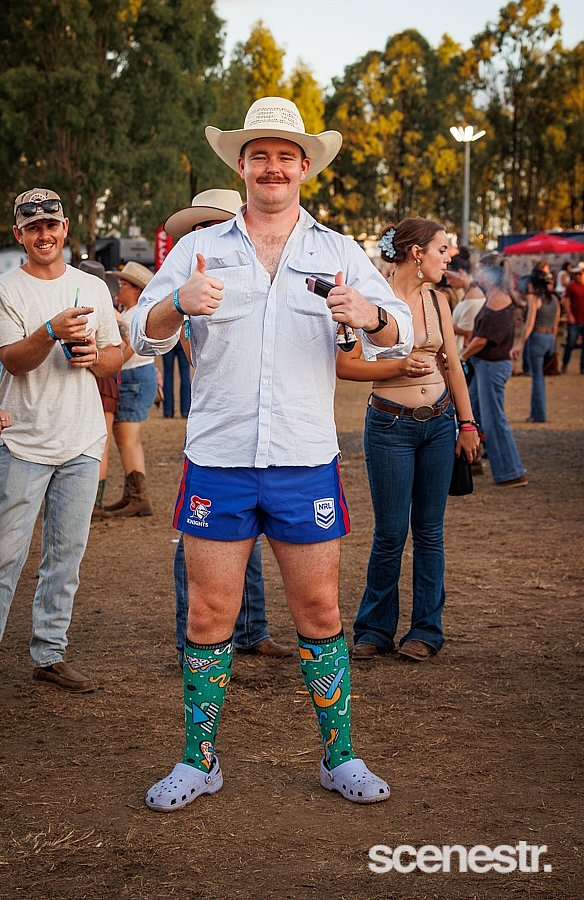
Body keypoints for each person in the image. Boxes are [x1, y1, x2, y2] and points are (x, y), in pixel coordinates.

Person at [131, 96, 413, 810]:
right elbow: (140, 333)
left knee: (318, 610)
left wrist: (371, 316)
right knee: (208, 615)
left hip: (303, 459)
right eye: (260, 155)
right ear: (242, 165)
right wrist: (177, 303)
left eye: (286, 155)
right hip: (219, 459)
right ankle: (198, 761)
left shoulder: (338, 251)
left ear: (305, 166)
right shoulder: (200, 250)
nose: (273, 167)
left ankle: (339, 757)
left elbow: (402, 331)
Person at [0, 188, 122, 690]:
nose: (44, 235)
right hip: (24, 441)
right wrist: (50, 329)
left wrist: (95, 358)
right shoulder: (1, 290)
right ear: (19, 235)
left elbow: (114, 355)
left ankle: (50, 653)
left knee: (66, 554)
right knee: (3, 552)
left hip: (81, 441)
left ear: (64, 229)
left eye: (51, 225)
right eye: (33, 228)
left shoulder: (92, 287)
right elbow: (13, 360)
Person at [337, 219, 479, 663]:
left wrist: (467, 424)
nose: (449, 256)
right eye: (442, 248)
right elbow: (346, 366)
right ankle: (374, 630)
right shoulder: (369, 298)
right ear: (417, 253)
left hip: (439, 424)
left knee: (430, 532)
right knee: (391, 533)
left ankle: (426, 631)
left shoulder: (439, 300)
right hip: (389, 427)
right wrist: (398, 367)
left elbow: (452, 365)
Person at [165, 188, 291, 661]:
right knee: (198, 542)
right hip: (217, 433)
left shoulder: (264, 271)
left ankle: (252, 630)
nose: (204, 234)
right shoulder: (190, 285)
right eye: (197, 227)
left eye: (212, 223)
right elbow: (190, 354)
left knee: (250, 540)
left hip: (267, 431)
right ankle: (192, 641)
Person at [460, 254, 528, 487]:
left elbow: (482, 339)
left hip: (491, 366)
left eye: (481, 269)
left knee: (493, 420)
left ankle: (511, 471)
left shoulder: (498, 298)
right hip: (487, 365)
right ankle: (474, 460)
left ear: (491, 274)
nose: (477, 274)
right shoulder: (495, 295)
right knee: (474, 412)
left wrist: (462, 355)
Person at [103, 261, 157, 517]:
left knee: (127, 439)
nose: (119, 288)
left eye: (123, 284)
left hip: (133, 376)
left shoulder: (135, 314)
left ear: (136, 289)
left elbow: (132, 347)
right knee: (126, 438)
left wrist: (112, 365)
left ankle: (138, 497)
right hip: (135, 376)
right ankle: (133, 495)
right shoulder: (133, 312)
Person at [77, 260, 125, 518]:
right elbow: (126, 339)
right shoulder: (108, 309)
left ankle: (93, 502)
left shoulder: (74, 305)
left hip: (93, 374)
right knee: (99, 442)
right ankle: (93, 502)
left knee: (94, 441)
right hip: (102, 377)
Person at [518, 269, 560, 422]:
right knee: (540, 377)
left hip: (537, 338)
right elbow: (556, 324)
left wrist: (519, 344)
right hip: (550, 338)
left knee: (537, 379)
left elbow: (529, 324)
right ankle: (537, 412)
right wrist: (554, 344)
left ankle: (538, 414)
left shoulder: (534, 299)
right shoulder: (554, 299)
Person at [561, 262, 584, 373]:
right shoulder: (571, 286)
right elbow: (566, 301)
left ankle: (582, 367)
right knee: (570, 343)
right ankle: (565, 363)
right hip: (575, 320)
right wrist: (569, 314)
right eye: (577, 274)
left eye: (580, 274)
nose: (578, 276)